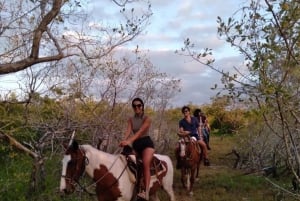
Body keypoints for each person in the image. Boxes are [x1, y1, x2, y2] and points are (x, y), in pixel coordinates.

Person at [119, 97, 154, 200]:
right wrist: (123, 140)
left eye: (139, 105)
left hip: (146, 143)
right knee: (127, 160)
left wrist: (129, 141)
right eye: (134, 106)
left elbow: (140, 132)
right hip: (136, 144)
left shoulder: (147, 118)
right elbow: (128, 131)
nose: (137, 107)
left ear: (142, 106)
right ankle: (130, 186)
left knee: (145, 164)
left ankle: (146, 192)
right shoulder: (131, 119)